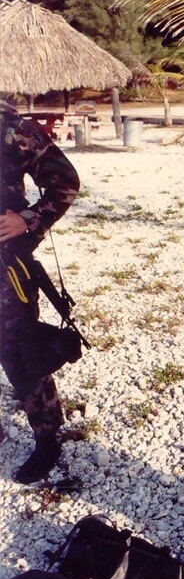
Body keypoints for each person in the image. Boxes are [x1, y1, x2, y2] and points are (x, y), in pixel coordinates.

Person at [0, 100, 80, 483]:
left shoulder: (13, 129)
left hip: (4, 267)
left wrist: (28, 219)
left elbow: (65, 181)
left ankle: (47, 440)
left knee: (21, 351)